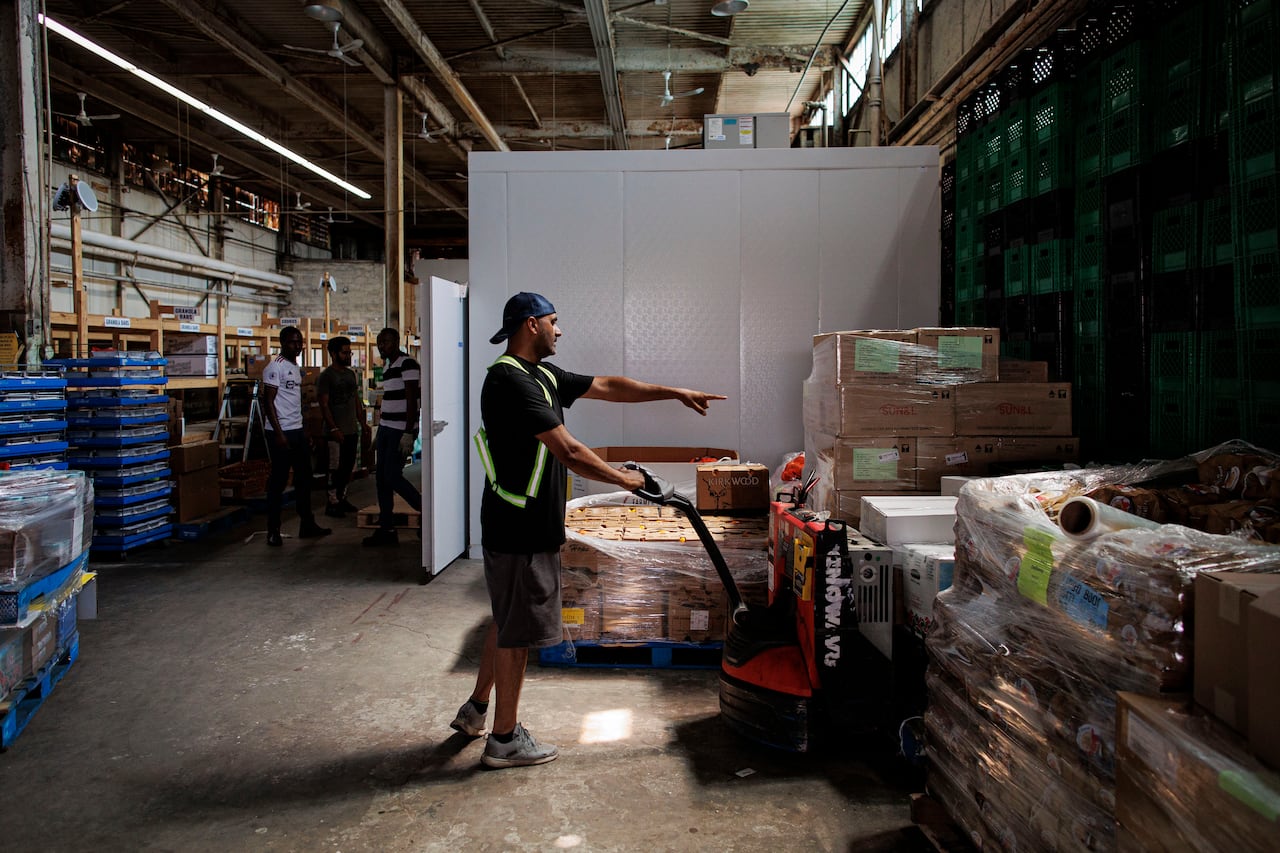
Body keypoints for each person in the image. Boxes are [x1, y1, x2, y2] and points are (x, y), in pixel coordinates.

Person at [454, 292, 726, 768]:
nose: (560, 331)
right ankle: (504, 740)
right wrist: (628, 482)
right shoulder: (509, 379)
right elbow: (570, 452)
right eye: (554, 322)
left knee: (505, 617)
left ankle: (477, 709)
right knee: (519, 632)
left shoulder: (542, 375)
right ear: (531, 325)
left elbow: (609, 385)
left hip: (516, 522)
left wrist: (674, 391)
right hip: (521, 528)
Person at [261, 326, 331, 546]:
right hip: (280, 433)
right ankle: (273, 530)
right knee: (279, 481)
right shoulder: (275, 367)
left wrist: (306, 430)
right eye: (293, 342)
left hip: (296, 430)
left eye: (300, 342)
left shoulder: (294, 367)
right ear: (282, 343)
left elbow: (295, 403)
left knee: (304, 479)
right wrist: (280, 434)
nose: (298, 346)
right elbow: (268, 403)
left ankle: (307, 524)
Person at [363, 327, 423, 547]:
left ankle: (425, 512)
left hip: (400, 429)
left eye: (386, 342)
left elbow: (411, 400)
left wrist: (408, 432)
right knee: (381, 479)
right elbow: (389, 400)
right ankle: (386, 529)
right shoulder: (389, 367)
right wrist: (380, 432)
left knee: (392, 476)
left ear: (396, 341)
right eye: (379, 343)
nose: (382, 346)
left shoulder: (407, 363)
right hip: (388, 428)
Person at [317, 336, 369, 518]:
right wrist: (333, 429)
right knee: (334, 467)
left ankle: (342, 497)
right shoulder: (326, 377)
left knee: (348, 467)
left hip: (351, 430)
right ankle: (332, 502)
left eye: (349, 352)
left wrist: (362, 422)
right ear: (333, 353)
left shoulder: (350, 374)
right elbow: (323, 405)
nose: (348, 356)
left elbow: (356, 400)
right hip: (335, 432)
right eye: (344, 352)